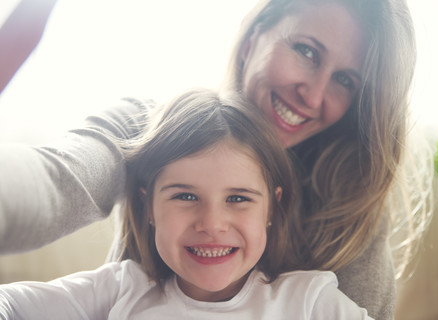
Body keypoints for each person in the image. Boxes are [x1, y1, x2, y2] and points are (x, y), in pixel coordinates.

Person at [0, 0, 433, 319]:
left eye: (344, 80)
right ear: (252, 40)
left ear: (274, 205)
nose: (314, 95)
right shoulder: (150, 129)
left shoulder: (343, 222)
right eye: (306, 51)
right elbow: (55, 183)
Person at [0, 89, 373, 319]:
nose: (212, 223)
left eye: (238, 199)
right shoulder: (122, 289)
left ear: (272, 209)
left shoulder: (309, 301)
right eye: (186, 196)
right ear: (149, 208)